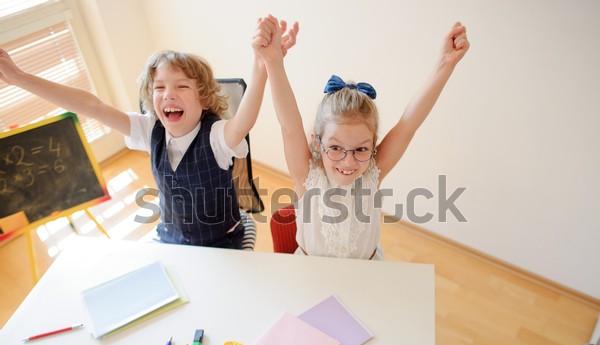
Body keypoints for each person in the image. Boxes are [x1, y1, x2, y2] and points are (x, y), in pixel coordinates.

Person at [0, 18, 298, 250]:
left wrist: (261, 65)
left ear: (204, 98)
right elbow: (91, 106)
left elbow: (243, 121)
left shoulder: (217, 136)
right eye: (159, 87)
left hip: (220, 243)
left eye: (181, 86)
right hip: (170, 238)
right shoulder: (148, 129)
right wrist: (19, 78)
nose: (168, 94)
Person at [256, 16, 469, 259]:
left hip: (366, 274)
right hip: (310, 277)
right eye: (336, 147)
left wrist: (445, 64)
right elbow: (289, 126)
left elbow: (409, 124)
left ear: (374, 144)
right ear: (317, 142)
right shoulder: (307, 176)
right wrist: (273, 63)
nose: (348, 162)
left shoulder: (372, 173)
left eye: (360, 150)